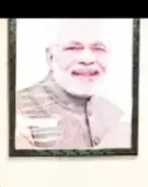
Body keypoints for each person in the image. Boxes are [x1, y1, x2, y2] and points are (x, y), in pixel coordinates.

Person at [14, 19, 131, 150]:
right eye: (73, 48)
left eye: (98, 49)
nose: (87, 59)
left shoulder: (117, 117)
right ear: (50, 57)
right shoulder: (17, 109)